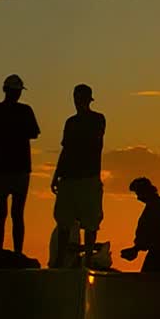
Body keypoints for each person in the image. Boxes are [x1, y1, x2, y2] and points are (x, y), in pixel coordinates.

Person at [0, 74, 40, 254]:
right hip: (16, 168)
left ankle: (4, 251)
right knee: (14, 214)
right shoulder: (24, 111)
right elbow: (34, 133)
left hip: (3, 167)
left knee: (3, 213)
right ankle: (15, 252)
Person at [50, 84, 105, 267]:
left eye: (81, 98)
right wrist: (57, 174)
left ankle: (88, 260)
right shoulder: (70, 122)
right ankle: (59, 260)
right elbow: (65, 149)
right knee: (64, 221)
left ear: (88, 100)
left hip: (88, 177)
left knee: (90, 222)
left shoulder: (98, 119)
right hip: (69, 178)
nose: (78, 102)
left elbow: (89, 142)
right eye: (76, 98)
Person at [120, 177, 160, 272]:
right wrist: (136, 248)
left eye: (138, 193)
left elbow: (155, 233)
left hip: (159, 253)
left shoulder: (157, 207)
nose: (138, 197)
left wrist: (136, 248)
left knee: (149, 281)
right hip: (158, 251)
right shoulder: (156, 205)